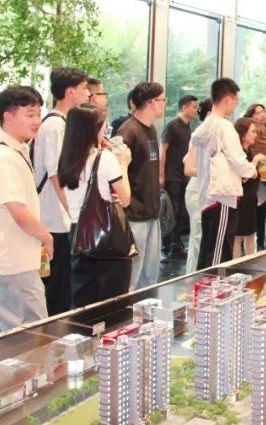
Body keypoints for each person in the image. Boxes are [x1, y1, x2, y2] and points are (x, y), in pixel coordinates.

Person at [0, 86, 52, 332]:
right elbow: (18, 210)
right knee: (31, 332)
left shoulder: (15, 151)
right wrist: (46, 237)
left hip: (16, 257)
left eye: (38, 114)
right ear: (8, 117)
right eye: (30, 114)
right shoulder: (4, 157)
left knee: (5, 330)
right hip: (13, 259)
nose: (37, 121)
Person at [58, 104, 132, 306]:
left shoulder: (66, 159)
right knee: (111, 304)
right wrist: (124, 164)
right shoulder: (105, 158)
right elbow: (125, 198)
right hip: (106, 237)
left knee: (83, 301)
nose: (106, 129)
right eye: (103, 126)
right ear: (94, 129)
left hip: (77, 235)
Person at [33, 67, 90, 315]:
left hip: (60, 217)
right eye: (84, 88)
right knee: (57, 286)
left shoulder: (62, 123)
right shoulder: (55, 125)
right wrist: (72, 210)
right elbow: (55, 172)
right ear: (70, 91)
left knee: (62, 283)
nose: (88, 94)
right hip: (54, 217)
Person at [192, 78, 261, 266]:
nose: (235, 105)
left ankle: (205, 283)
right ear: (227, 99)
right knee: (219, 253)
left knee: (209, 248)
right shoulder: (224, 126)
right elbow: (237, 159)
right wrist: (252, 170)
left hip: (208, 195)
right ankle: (215, 284)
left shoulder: (205, 126)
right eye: (235, 101)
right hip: (221, 196)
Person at [116, 82, 166, 290]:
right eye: (163, 100)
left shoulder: (151, 129)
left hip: (151, 212)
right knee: (132, 277)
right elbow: (116, 172)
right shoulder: (128, 131)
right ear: (152, 103)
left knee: (149, 276)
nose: (164, 104)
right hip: (134, 215)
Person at [160, 95, 197, 261]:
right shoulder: (172, 125)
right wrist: (161, 174)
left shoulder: (189, 128)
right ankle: (167, 247)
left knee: (181, 212)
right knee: (171, 212)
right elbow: (163, 150)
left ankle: (177, 245)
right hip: (171, 175)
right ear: (184, 107)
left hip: (184, 175)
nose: (195, 110)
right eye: (193, 107)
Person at [183, 98, 213, 272]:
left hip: (208, 192)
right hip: (196, 192)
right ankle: (190, 277)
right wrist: (213, 172)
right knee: (197, 238)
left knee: (204, 239)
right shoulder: (199, 135)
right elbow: (189, 168)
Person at [243, 103, 266, 250]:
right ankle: (243, 241)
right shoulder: (248, 133)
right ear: (251, 117)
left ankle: (261, 242)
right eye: (258, 113)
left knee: (262, 208)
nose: (262, 115)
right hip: (249, 173)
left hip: (264, 173)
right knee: (247, 208)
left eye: (263, 112)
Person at [233, 117, 262, 258]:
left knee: (250, 234)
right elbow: (244, 175)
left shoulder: (249, 151)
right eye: (252, 132)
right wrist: (255, 163)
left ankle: (251, 262)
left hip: (250, 198)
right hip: (240, 199)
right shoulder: (238, 153)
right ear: (243, 135)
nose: (255, 135)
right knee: (238, 236)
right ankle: (236, 266)